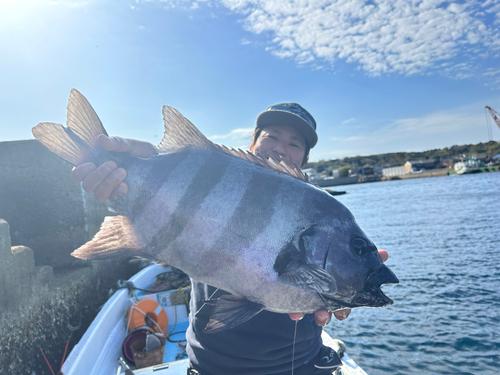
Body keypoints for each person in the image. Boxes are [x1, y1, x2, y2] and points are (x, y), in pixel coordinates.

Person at [72, 103, 389, 374]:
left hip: (301, 365)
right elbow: (186, 183)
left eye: (294, 143)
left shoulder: (321, 209)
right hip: (212, 366)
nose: (281, 147)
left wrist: (351, 283)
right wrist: (131, 180)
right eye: (272, 136)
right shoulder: (218, 176)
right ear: (252, 143)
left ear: (304, 157)